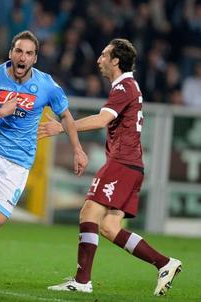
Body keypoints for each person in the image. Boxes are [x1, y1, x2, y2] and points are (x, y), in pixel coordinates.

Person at [40, 38, 182, 296]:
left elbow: (102, 119)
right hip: (132, 165)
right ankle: (164, 263)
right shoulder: (129, 87)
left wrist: (62, 127)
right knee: (109, 227)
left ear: (116, 60)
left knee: (88, 213)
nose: (99, 59)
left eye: (104, 55)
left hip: (122, 163)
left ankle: (82, 281)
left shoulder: (123, 87)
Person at [0, 30, 88, 291]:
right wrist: (0, 112)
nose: (23, 57)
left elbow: (66, 116)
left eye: (29, 53)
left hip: (17, 162)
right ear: (11, 53)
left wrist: (77, 149)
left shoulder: (47, 85)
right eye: (18, 51)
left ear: (35, 58)